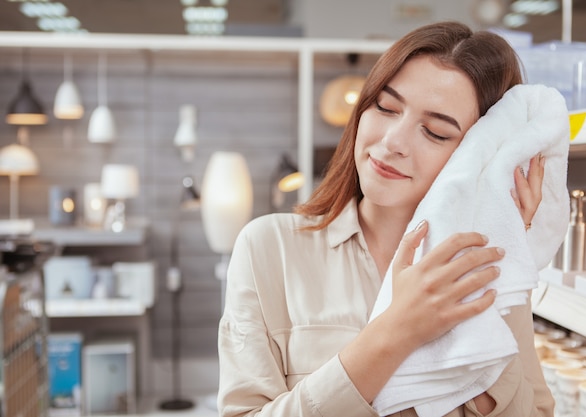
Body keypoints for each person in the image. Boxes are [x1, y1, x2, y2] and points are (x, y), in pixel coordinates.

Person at [217, 21, 553, 417]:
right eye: (385, 107)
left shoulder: (482, 267)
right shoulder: (268, 248)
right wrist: (395, 333)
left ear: (480, 156)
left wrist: (504, 245)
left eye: (435, 132)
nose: (393, 141)